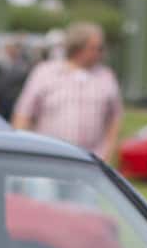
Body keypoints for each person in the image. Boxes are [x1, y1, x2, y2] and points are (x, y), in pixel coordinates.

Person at [11, 22, 123, 161]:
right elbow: (23, 113)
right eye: (96, 48)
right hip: (50, 158)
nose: (101, 53)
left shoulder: (106, 76)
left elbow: (115, 118)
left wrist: (108, 153)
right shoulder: (45, 72)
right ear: (78, 48)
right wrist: (22, 150)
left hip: (92, 161)